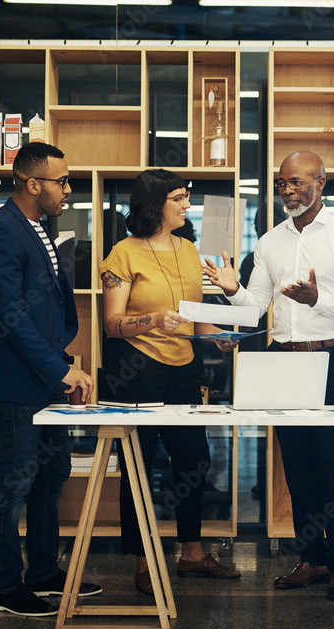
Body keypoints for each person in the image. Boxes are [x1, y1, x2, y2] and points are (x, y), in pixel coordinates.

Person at [203, 151, 334, 599]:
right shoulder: (269, 241)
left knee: (332, 464)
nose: (287, 190)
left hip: (331, 359)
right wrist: (232, 291)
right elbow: (256, 306)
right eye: (281, 183)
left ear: (322, 182)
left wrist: (318, 300)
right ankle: (311, 559)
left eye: (296, 182)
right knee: (296, 465)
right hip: (282, 359)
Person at [0, 141, 101, 616]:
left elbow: (45, 309)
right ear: (33, 184)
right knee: (12, 483)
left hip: (43, 378)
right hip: (13, 383)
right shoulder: (1, 233)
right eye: (62, 181)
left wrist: (59, 365)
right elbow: (11, 316)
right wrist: (60, 367)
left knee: (51, 475)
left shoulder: (39, 227)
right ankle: (5, 587)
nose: (68, 190)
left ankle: (43, 571)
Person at [100, 168, 241, 596]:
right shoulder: (122, 254)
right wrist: (154, 320)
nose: (187, 204)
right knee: (139, 466)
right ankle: (144, 561)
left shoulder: (188, 249)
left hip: (185, 367)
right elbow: (111, 324)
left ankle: (193, 555)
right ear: (155, 203)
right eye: (179, 197)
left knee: (194, 459)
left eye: (187, 196)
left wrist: (216, 334)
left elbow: (192, 316)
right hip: (136, 367)